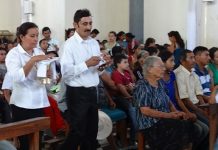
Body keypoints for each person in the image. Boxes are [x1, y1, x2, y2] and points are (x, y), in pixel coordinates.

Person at [59, 9, 110, 150]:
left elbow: (97, 70)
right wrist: (86, 64)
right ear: (75, 25)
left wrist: (103, 65)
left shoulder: (94, 43)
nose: (88, 27)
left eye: (90, 23)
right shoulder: (68, 45)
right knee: (77, 132)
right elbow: (66, 73)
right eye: (84, 23)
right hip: (77, 93)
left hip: (92, 91)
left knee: (92, 131)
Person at [133, 56, 195, 150]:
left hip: (165, 118)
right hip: (150, 122)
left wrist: (176, 113)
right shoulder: (142, 86)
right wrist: (169, 115)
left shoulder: (160, 82)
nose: (164, 69)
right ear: (150, 69)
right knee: (178, 128)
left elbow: (168, 101)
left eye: (163, 66)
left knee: (188, 123)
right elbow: (145, 111)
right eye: (160, 66)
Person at [5, 22, 50, 150]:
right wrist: (32, 61)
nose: (36, 39)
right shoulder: (13, 54)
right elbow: (16, 78)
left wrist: (48, 76)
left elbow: (44, 82)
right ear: (22, 37)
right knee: (25, 143)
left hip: (39, 102)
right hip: (22, 104)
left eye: (37, 35)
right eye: (32, 36)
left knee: (37, 142)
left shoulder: (38, 51)